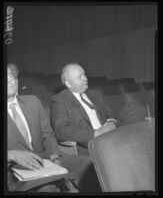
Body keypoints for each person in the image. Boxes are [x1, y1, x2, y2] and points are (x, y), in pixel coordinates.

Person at [7, 65, 101, 193]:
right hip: (14, 170)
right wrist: (11, 155)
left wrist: (55, 157)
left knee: (90, 165)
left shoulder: (32, 101)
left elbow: (47, 135)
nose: (9, 80)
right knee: (48, 187)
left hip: (45, 160)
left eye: (11, 75)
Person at [50, 62, 146, 155]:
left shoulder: (96, 94)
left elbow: (110, 115)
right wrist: (96, 133)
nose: (85, 79)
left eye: (84, 75)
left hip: (110, 133)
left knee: (134, 107)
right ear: (69, 84)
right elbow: (61, 132)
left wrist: (112, 123)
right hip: (92, 140)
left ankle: (124, 143)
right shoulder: (59, 100)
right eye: (80, 77)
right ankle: (126, 145)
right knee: (131, 144)